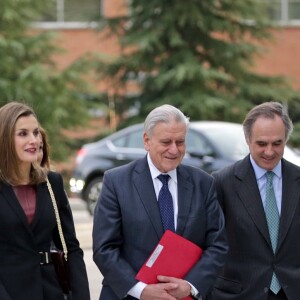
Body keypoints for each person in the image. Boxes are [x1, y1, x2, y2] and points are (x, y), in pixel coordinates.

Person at [93, 104, 228, 300]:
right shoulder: (116, 182)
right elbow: (104, 249)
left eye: (180, 142)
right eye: (166, 141)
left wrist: (191, 285)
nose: (174, 150)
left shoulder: (203, 183)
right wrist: (141, 290)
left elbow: (218, 245)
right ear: (147, 141)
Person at [208, 101, 300, 300]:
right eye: (261, 143)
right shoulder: (222, 182)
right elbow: (210, 245)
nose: (269, 151)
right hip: (241, 294)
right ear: (248, 139)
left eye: (277, 143)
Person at [0, 101, 90, 300]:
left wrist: (81, 295)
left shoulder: (52, 182)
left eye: (35, 132)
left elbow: (71, 247)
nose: (33, 139)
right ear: (5, 139)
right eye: (23, 134)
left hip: (52, 290)